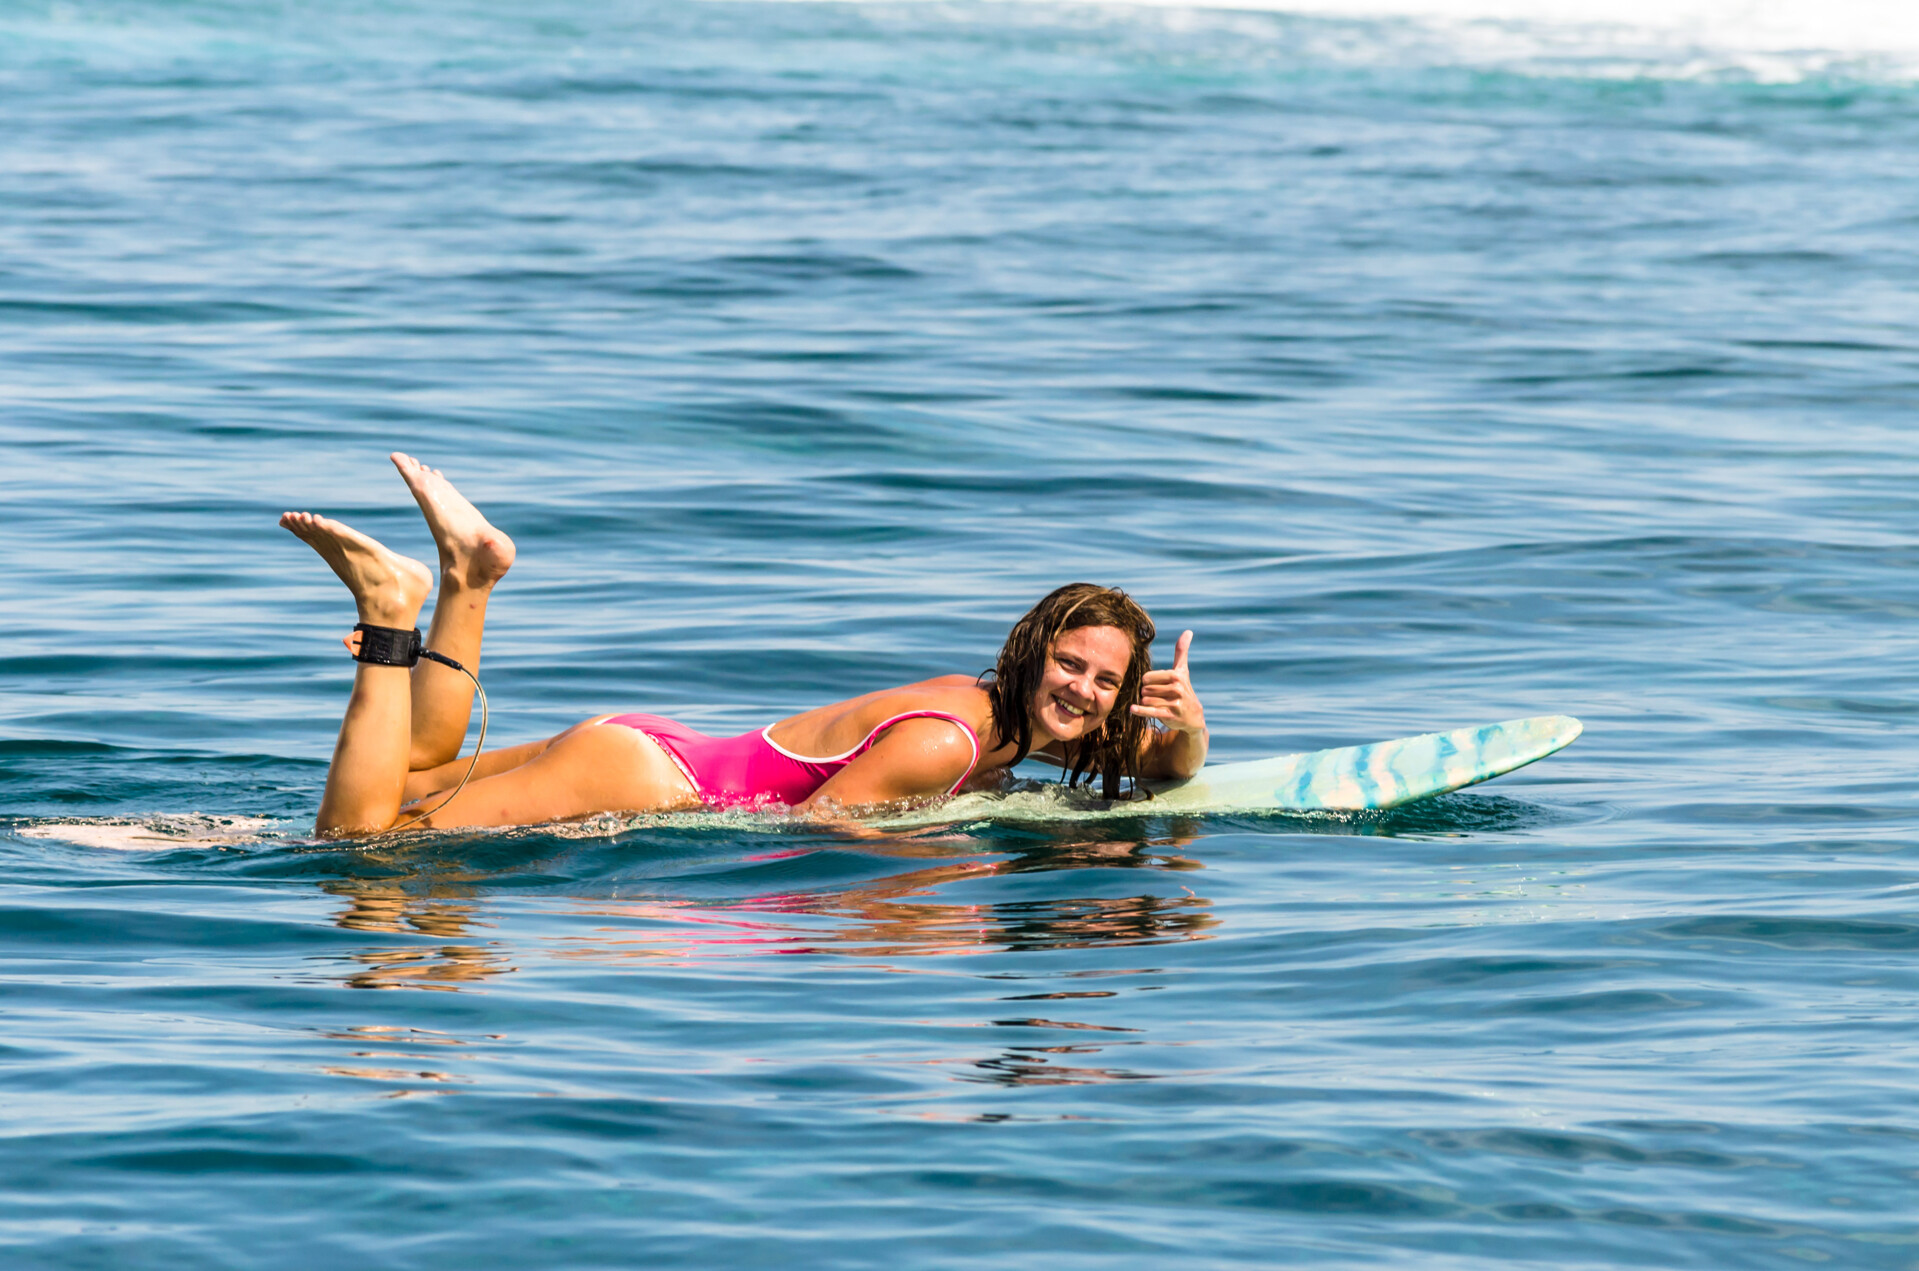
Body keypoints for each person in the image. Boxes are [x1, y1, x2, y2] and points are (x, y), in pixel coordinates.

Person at [281, 455, 1208, 837]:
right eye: (1069, 664)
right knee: (360, 846)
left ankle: (469, 579)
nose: (1081, 690)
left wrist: (1191, 727)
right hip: (651, 783)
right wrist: (941, 858)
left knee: (405, 779)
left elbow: (1162, 766)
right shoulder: (950, 740)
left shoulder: (1010, 720)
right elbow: (823, 823)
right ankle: (389, 613)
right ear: (1033, 652)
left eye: (1104, 680)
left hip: (658, 751)